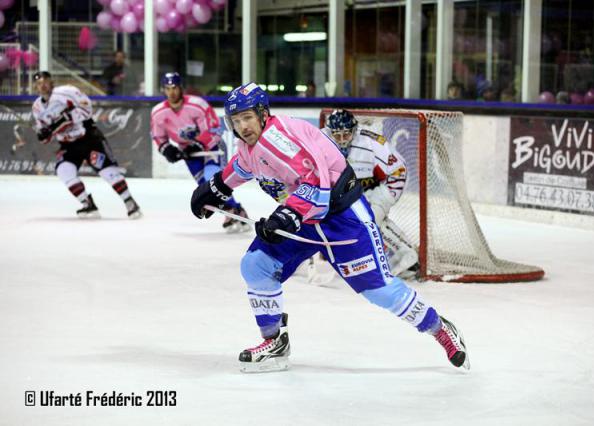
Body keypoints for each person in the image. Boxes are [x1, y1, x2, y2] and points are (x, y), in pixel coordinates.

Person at [190, 82, 470, 373]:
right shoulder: (251, 144)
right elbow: (243, 166)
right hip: (305, 218)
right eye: (235, 121)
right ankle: (274, 342)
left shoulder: (279, 139)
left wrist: (286, 215)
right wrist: (216, 187)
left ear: (262, 114)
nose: (242, 126)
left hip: (342, 219)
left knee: (380, 291)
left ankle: (439, 329)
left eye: (247, 117)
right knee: (256, 265)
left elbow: (317, 183)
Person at [32, 71, 142, 219]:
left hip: (89, 139)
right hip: (68, 146)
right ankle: (87, 204)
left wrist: (62, 121)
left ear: (52, 83)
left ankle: (130, 202)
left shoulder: (67, 92)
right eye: (39, 84)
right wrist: (43, 134)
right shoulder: (37, 108)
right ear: (35, 87)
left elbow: (87, 108)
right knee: (64, 171)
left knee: (107, 172)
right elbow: (45, 134)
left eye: (45, 82)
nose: (43, 86)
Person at [322, 109, 418, 277]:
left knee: (369, 220)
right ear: (330, 132)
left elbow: (398, 169)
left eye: (347, 135)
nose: (343, 141)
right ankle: (399, 253)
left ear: (354, 130)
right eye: (338, 136)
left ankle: (407, 256)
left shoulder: (370, 143)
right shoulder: (321, 140)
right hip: (356, 191)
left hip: (383, 186)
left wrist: (384, 198)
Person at [151, 72, 249, 232]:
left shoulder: (198, 105)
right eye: (168, 89)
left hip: (212, 148)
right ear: (163, 90)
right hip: (189, 154)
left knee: (212, 179)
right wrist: (167, 149)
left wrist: (197, 144)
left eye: (174, 88)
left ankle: (234, 211)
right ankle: (234, 210)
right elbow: (158, 136)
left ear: (181, 88)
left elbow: (214, 129)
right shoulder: (158, 112)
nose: (172, 92)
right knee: (205, 188)